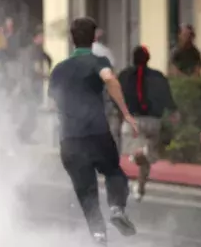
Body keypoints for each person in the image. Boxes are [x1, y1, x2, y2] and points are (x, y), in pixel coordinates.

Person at [48, 17, 138, 245]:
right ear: (94, 37)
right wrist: (126, 113)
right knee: (113, 172)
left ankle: (98, 236)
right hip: (96, 133)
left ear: (71, 39)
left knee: (86, 192)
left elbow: (53, 102)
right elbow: (109, 78)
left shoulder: (59, 69)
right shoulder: (98, 60)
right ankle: (117, 208)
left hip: (69, 139)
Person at [118, 45, 179, 201]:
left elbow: (115, 98)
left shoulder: (124, 76)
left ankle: (139, 151)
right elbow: (168, 98)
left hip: (133, 122)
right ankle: (140, 188)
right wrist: (173, 112)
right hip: (154, 122)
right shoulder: (158, 76)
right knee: (145, 160)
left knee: (133, 151)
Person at [16, 29, 52, 144]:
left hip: (30, 83)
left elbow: (47, 58)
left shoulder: (35, 50)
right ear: (36, 38)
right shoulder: (34, 50)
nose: (43, 39)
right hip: (31, 84)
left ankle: (23, 135)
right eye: (41, 36)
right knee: (32, 110)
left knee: (32, 110)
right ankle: (22, 134)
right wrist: (46, 76)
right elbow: (35, 67)